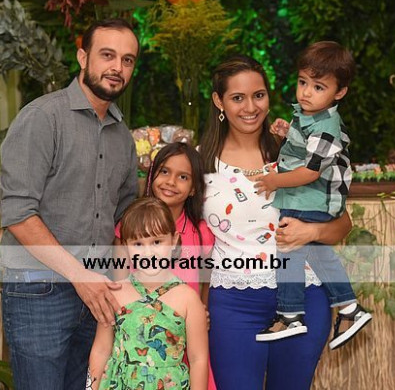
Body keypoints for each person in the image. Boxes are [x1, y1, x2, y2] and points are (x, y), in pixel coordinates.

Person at [0, 19, 139, 390]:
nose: (117, 67)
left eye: (127, 60)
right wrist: (80, 276)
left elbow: (123, 219)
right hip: (39, 291)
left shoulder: (123, 138)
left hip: (98, 293)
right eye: (107, 55)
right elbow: (18, 214)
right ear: (82, 57)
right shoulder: (43, 118)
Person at [199, 54, 353, 390]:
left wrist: (311, 231)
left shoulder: (296, 153)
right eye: (237, 98)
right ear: (219, 101)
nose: (250, 107)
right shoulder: (199, 164)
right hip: (234, 304)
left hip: (303, 299)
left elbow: (343, 225)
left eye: (258, 95)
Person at [254, 41, 372, 349]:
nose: (306, 92)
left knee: (288, 247)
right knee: (318, 252)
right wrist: (287, 133)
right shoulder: (310, 116)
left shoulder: (326, 127)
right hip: (308, 196)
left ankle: (291, 314)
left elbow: (310, 172)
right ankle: (349, 307)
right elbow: (304, 147)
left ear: (340, 92)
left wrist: (275, 181)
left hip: (312, 196)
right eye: (303, 82)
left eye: (318, 87)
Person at [112, 142, 217, 389]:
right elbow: (118, 285)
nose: (171, 182)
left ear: (194, 189)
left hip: (182, 344)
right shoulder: (127, 227)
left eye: (183, 177)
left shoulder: (201, 233)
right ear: (151, 175)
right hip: (136, 345)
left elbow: (204, 283)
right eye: (164, 172)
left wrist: (202, 313)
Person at [89, 197, 208, 390]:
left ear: (174, 240)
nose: (148, 252)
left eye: (157, 241)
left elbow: (198, 359)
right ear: (125, 246)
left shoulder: (188, 299)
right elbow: (101, 350)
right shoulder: (115, 293)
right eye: (138, 244)